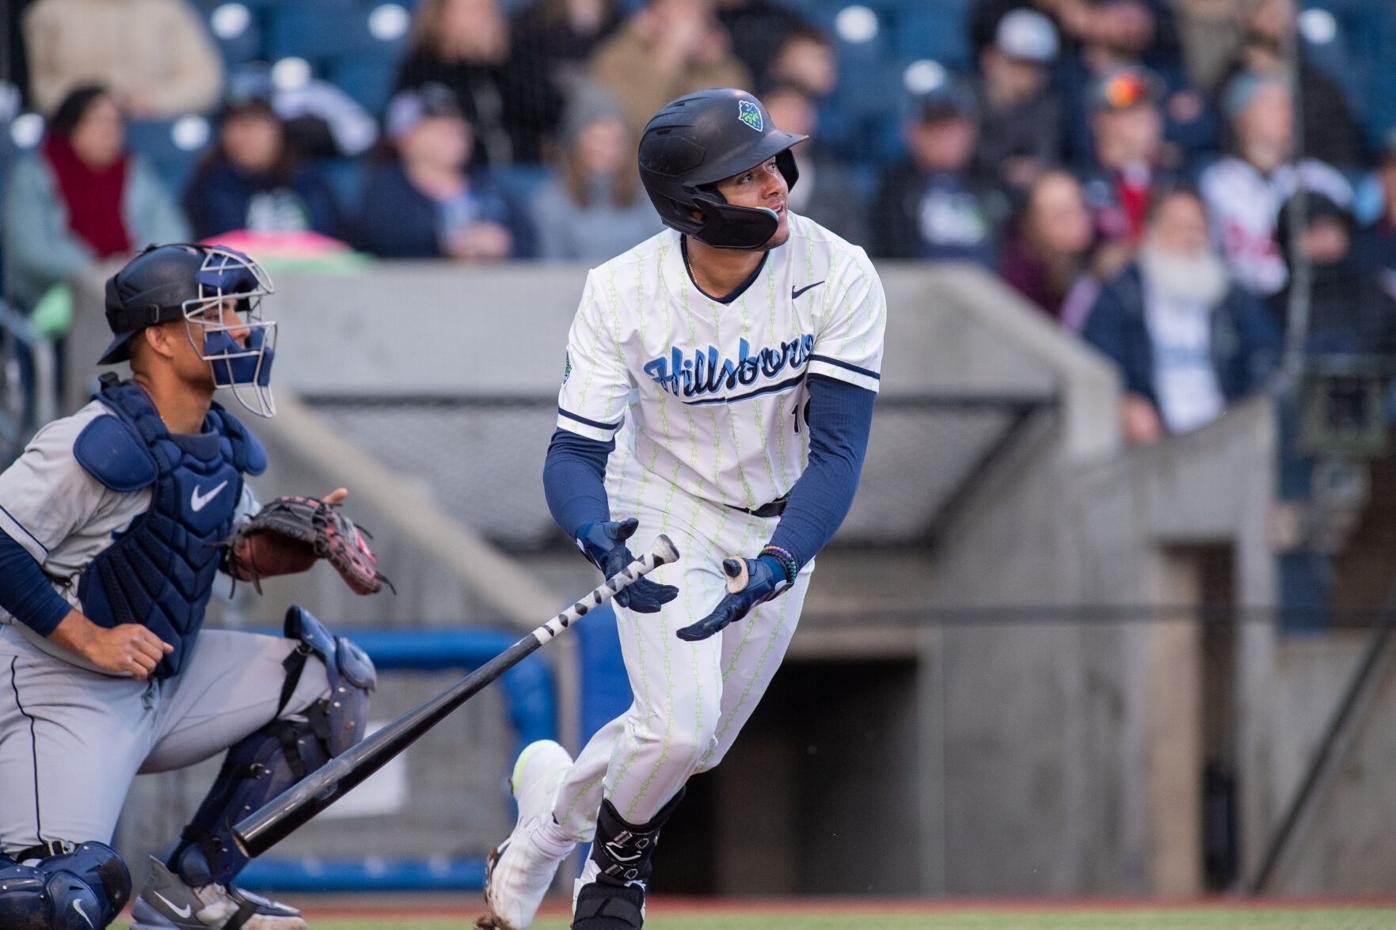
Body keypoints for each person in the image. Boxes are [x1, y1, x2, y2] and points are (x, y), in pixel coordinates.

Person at [477, 87, 885, 930]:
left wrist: (779, 561)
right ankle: (614, 883)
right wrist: (599, 540)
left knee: (693, 746)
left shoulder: (838, 269)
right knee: (674, 728)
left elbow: (840, 452)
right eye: (746, 173)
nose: (775, 182)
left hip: (781, 516)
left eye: (774, 159)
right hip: (661, 501)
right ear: (693, 203)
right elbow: (575, 455)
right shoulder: (622, 290)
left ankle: (549, 813)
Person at [0, 243, 383, 930]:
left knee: (331, 681)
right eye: (219, 312)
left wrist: (280, 549)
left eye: (240, 310)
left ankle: (191, 891)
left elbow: (216, 550)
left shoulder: (215, 441)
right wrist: (88, 637)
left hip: (160, 676)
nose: (241, 327)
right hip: (61, 686)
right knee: (63, 898)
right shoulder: (90, 441)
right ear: (160, 339)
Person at [1080, 186, 1280, 444]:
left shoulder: (1231, 295)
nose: (1189, 236)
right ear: (1151, 230)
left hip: (1222, 432)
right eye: (1178, 226)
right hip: (1151, 438)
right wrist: (1125, 401)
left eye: (1197, 227)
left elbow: (1265, 356)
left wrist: (1244, 411)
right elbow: (1098, 357)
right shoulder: (1122, 294)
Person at [2, 84, 189, 315]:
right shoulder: (34, 174)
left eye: (115, 122)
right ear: (71, 126)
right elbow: (32, 250)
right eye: (97, 121)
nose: (109, 131)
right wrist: (95, 273)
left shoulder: (137, 171)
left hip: (135, 284)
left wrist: (134, 268)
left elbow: (171, 234)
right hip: (60, 294)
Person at [1198, 71, 1351, 297]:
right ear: (1240, 118)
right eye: (1270, 105)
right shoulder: (1216, 182)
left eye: (1288, 105)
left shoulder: (1320, 177)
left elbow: (1354, 242)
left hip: (1322, 300)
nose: (1286, 114)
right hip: (1247, 307)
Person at [355, 84, 534, 260]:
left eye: (456, 118)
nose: (453, 128)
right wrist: (447, 246)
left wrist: (505, 244)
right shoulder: (385, 190)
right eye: (434, 123)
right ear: (404, 138)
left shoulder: (488, 184)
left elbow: (528, 241)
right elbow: (384, 241)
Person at [395, 0, 559, 165]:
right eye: (471, 11)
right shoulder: (422, 68)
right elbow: (412, 130)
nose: (481, 18)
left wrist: (494, 58)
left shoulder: (516, 62)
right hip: (464, 175)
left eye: (487, 10)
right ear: (440, 17)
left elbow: (548, 117)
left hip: (527, 170)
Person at [872, 81, 1007, 264]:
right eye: (934, 127)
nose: (944, 137)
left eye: (953, 126)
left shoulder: (995, 182)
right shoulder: (893, 190)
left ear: (972, 130)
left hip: (991, 290)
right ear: (912, 133)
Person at [23, 0, 223, 119]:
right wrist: (92, 106)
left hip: (153, 127)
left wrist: (153, 101)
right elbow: (42, 89)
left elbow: (206, 83)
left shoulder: (169, 10)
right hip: (71, 131)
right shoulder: (48, 13)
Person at [183, 94, 341, 241]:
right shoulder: (210, 186)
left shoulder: (308, 180)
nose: (248, 136)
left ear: (279, 130)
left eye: (258, 123)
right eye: (239, 124)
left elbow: (335, 241)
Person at [588, 0, 752, 142]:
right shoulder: (616, 56)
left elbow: (729, 126)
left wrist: (714, 66)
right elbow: (638, 127)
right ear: (654, 11)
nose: (695, 17)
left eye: (701, 8)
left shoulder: (715, 61)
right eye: (684, 5)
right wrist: (670, 55)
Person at [530, 87, 661, 261]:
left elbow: (660, 251)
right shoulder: (550, 200)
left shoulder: (648, 195)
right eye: (597, 139)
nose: (607, 150)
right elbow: (550, 265)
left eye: (615, 140)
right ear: (575, 143)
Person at [762, 81, 868, 246]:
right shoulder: (746, 183)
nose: (793, 118)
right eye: (784, 110)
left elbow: (856, 243)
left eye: (801, 111)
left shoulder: (837, 183)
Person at [971, 7, 1065, 194]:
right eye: (1018, 63)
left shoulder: (1049, 108)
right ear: (990, 59)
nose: (1027, 75)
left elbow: (1048, 156)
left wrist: (1037, 168)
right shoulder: (966, 102)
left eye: (1037, 66)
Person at [998, 169, 1097, 324]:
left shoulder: (1099, 252)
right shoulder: (1019, 281)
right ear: (1032, 225)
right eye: (1061, 215)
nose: (1077, 220)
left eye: (1080, 206)